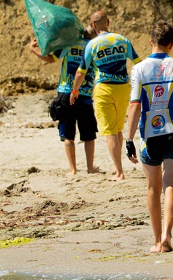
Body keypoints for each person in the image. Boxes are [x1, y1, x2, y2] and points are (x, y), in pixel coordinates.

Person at [125, 21, 173, 253]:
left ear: (150, 41)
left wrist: (128, 139)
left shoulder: (139, 69)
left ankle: (156, 241)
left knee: (153, 188)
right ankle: (168, 235)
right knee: (171, 186)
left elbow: (135, 106)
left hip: (149, 136)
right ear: (172, 44)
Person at [70, 11, 140, 180]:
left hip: (104, 89)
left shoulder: (92, 44)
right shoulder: (122, 40)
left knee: (109, 131)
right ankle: (118, 168)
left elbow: (81, 72)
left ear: (93, 26)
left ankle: (120, 171)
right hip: (123, 88)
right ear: (108, 22)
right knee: (117, 128)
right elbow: (138, 63)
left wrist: (75, 91)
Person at [28, 25, 98, 175]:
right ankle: (90, 168)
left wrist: (34, 50)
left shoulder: (68, 45)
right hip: (85, 94)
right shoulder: (93, 47)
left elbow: (51, 59)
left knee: (68, 134)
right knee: (89, 135)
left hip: (66, 93)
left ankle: (73, 170)